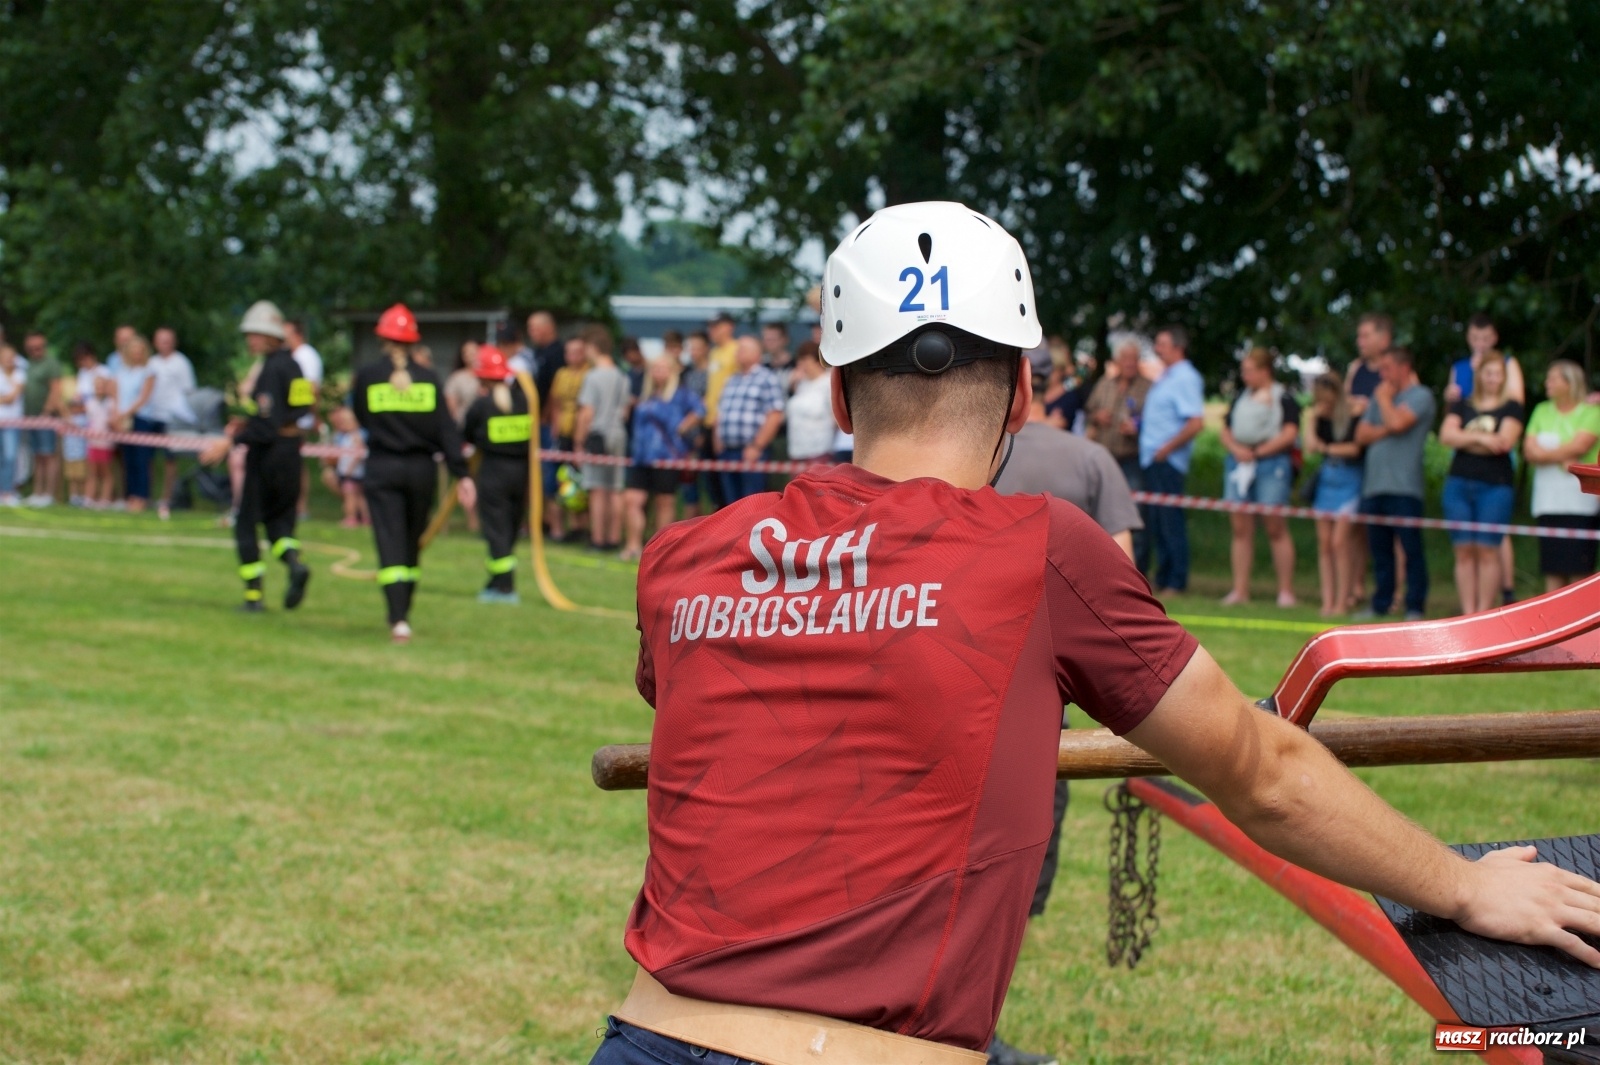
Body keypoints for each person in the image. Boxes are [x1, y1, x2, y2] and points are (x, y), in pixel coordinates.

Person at [592, 201, 1600, 1065]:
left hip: (644, 1036)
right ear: (1025, 392)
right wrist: (1464, 886)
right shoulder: (1040, 552)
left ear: (840, 391)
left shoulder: (682, 557)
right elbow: (1260, 771)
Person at [992, 364, 1142, 1065]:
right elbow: (1122, 582)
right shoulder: (1091, 459)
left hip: (944, 695)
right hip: (1040, 709)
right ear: (1034, 384)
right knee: (1009, 885)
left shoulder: (955, 453)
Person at [350, 303, 474, 641]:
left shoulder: (368, 376)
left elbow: (361, 416)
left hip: (382, 466)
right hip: (421, 470)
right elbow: (446, 430)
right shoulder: (429, 379)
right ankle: (404, 609)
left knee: (389, 541)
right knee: (410, 542)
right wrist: (462, 474)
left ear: (382, 338)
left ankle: (397, 618)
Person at [197, 302, 314, 612]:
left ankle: (253, 597)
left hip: (268, 456)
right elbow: (299, 409)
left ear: (271, 337)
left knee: (246, 524)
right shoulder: (294, 366)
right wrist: (250, 421)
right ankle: (294, 564)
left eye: (255, 334)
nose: (249, 340)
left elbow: (267, 425)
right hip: (291, 453)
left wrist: (231, 441)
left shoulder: (271, 368)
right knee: (280, 525)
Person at [1444, 314, 1526, 607]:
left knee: (1489, 548)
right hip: (1460, 477)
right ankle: (1469, 614)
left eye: (1496, 373)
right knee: (1465, 549)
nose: (1492, 378)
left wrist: (1466, 438)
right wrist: (1482, 439)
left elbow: (1503, 442)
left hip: (1495, 480)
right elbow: (1447, 434)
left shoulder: (1511, 395)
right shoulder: (1462, 389)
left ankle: (1491, 607)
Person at [1354, 347, 1434, 620]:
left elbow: (1399, 424)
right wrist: (1389, 423)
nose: (1382, 375)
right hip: (1374, 486)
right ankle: (1381, 604)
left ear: (1404, 368)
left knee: (1411, 549)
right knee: (1380, 551)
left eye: (1387, 368)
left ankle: (1415, 605)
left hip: (1405, 488)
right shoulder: (1381, 397)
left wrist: (1384, 402)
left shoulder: (1420, 396)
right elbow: (1361, 435)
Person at [1218, 348, 1301, 607]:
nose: (1245, 376)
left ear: (1265, 371)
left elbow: (1289, 433)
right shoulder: (1240, 397)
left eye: (1250, 371)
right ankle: (1240, 590)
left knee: (1275, 527)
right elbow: (1226, 429)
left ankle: (1285, 591)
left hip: (1271, 464)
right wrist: (1237, 450)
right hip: (1239, 463)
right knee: (1240, 528)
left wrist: (1258, 452)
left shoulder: (1283, 398)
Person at [460, 345, 530, 603]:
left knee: (496, 530)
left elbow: (465, 434)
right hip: (521, 473)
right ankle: (497, 581)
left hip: (493, 472)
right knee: (509, 528)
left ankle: (504, 588)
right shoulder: (523, 401)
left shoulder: (482, 405)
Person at [1138, 325, 1205, 593]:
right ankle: (1164, 576)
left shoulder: (1185, 378)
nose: (1157, 350)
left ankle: (1177, 580)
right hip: (1153, 459)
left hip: (1167, 460)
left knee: (1170, 521)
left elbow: (1195, 422)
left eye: (1162, 344)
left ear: (1178, 347)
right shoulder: (1166, 376)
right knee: (1157, 521)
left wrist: (1167, 448)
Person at [1524, 359, 1600, 591]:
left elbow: (1580, 446)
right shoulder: (1541, 410)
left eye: (1553, 378)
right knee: (1553, 568)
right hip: (1548, 501)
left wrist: (1544, 455)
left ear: (1570, 382)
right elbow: (1528, 450)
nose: (1547, 383)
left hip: (1580, 502)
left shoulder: (1591, 412)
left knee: (1580, 570)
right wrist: (1563, 459)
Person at [621, 355, 704, 561]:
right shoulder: (647, 394)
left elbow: (701, 410)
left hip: (667, 457)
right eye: (655, 368)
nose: (658, 372)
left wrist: (682, 427)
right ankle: (633, 545)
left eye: (663, 367)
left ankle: (660, 550)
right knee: (632, 499)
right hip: (641, 456)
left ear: (672, 371)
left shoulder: (681, 394)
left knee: (664, 501)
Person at [1085, 337, 1152, 571]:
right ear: (1118, 361)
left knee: (1134, 515)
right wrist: (1097, 417)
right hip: (1106, 458)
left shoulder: (1148, 387)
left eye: (1134, 359)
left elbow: (1156, 423)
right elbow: (1089, 411)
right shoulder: (1105, 383)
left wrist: (1138, 428)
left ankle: (1137, 571)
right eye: (1125, 359)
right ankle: (1102, 566)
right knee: (1099, 513)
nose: (1130, 363)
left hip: (1132, 458)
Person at [1306, 373, 1364, 616]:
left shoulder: (1354, 413)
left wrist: (1328, 448)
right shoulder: (1318, 417)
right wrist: (1311, 419)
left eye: (1328, 401)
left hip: (1349, 481)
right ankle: (1327, 601)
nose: (1325, 406)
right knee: (1325, 544)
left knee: (1340, 543)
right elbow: (1310, 447)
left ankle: (1342, 600)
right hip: (1327, 481)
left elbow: (1355, 448)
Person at [574, 325, 629, 552]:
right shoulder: (622, 376)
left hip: (597, 435)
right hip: (618, 434)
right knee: (615, 489)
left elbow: (587, 412)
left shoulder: (593, 376)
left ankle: (597, 538)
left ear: (593, 347)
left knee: (597, 489)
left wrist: (578, 442)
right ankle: (614, 538)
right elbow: (625, 411)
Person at [713, 336, 786, 504]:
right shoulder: (731, 380)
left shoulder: (767, 378)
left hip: (752, 452)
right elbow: (720, 412)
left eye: (742, 350)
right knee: (730, 505)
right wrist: (718, 442)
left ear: (756, 354)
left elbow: (774, 414)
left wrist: (757, 446)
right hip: (727, 451)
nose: (737, 353)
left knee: (751, 503)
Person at [147, 326, 197, 520]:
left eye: (167, 340)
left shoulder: (181, 363)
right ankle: (149, 495)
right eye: (161, 340)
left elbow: (189, 391)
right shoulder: (151, 363)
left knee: (170, 460)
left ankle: (167, 497)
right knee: (149, 458)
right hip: (153, 416)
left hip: (172, 418)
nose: (164, 344)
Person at [547, 336, 590, 542]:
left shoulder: (589, 373)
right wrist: (555, 428)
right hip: (563, 434)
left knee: (580, 483)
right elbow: (555, 403)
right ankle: (558, 528)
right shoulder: (561, 374)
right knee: (559, 480)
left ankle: (580, 527)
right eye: (569, 352)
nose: (572, 356)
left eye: (577, 352)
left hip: (582, 435)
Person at [112, 334, 157, 512]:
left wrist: (125, 413)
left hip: (141, 419)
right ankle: (129, 495)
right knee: (128, 460)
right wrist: (117, 414)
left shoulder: (148, 371)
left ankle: (141, 496)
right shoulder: (122, 371)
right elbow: (117, 394)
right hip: (123, 419)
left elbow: (143, 398)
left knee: (141, 460)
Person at [20, 331, 65, 506]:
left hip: (46, 418)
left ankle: (49, 494)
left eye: (38, 347)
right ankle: (37, 493)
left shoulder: (51, 364)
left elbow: (56, 390)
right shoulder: (29, 364)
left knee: (48, 455)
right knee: (37, 456)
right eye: (31, 348)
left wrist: (46, 412)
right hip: (31, 418)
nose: (35, 350)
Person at [783, 343, 837, 463]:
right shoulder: (800, 383)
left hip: (820, 449)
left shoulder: (828, 383)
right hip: (796, 450)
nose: (801, 365)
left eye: (806, 361)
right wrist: (792, 386)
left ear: (817, 362)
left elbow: (835, 417)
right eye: (800, 361)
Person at [319, 405, 368, 528]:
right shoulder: (345, 436)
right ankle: (365, 518)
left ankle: (351, 518)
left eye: (346, 422)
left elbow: (358, 453)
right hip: (356, 473)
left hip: (351, 474)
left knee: (350, 496)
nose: (344, 424)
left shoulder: (356, 436)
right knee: (360, 496)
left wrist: (350, 469)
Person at [84, 374, 120, 509]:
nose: (99, 389)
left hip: (106, 443)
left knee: (106, 472)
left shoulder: (111, 403)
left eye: (102, 386)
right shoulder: (90, 403)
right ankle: (89, 498)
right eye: (97, 386)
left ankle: (105, 499)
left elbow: (114, 421)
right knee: (92, 472)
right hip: (92, 442)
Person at [0, 344, 25, 506]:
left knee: (10, 457)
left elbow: (12, 398)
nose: (9, 360)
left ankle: (8, 491)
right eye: (5, 357)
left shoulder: (19, 374)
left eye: (11, 357)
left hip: (13, 422)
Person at [444, 339, 481, 425]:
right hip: (463, 424)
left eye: (474, 350)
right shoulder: (456, 378)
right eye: (466, 352)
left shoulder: (489, 376)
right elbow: (451, 407)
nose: (470, 354)